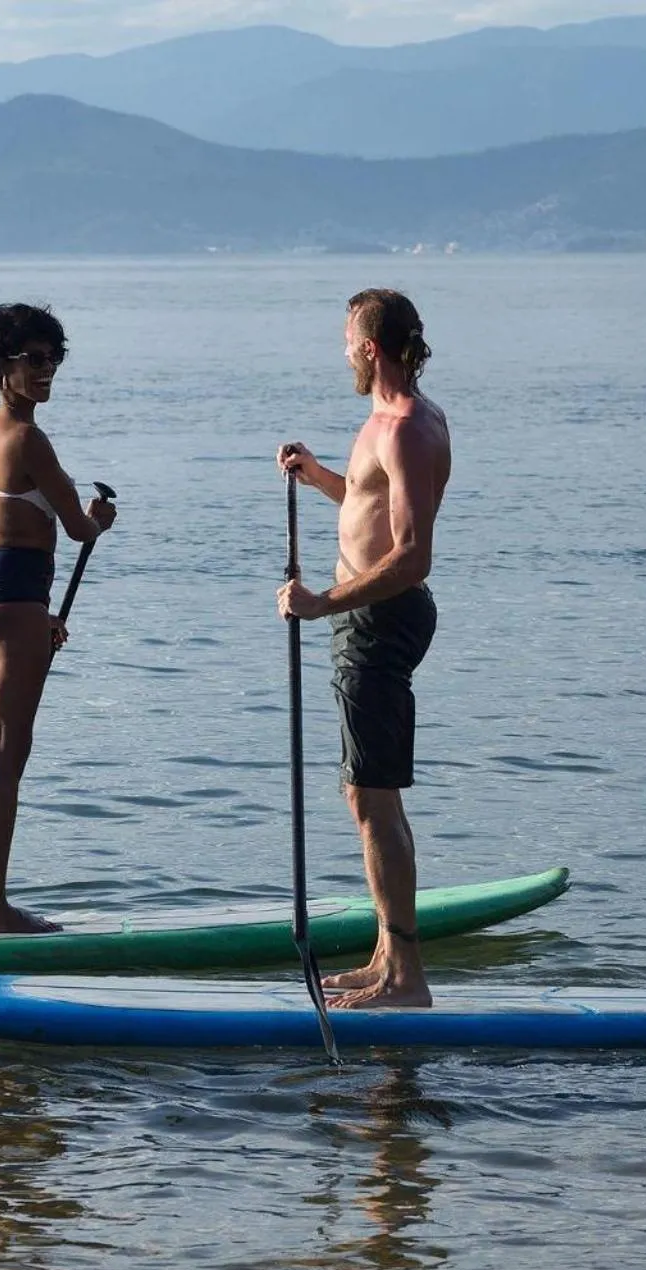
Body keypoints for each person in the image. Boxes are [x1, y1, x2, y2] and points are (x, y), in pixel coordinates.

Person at [276, 288, 450, 1007]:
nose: (343, 352)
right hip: (370, 620)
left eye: (348, 341)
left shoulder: (408, 427)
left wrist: (322, 604)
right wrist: (318, 475)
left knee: (375, 801)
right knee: (365, 796)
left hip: (380, 621)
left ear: (371, 348)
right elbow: (366, 508)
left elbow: (411, 556)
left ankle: (406, 979)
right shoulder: (383, 423)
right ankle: (385, 957)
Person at [0, 302, 116, 934]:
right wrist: (99, 519)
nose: (47, 371)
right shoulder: (28, 438)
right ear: (1, 366)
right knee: (5, 758)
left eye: (54, 359)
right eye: (34, 360)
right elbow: (79, 527)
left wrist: (38, 615)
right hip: (14, 597)